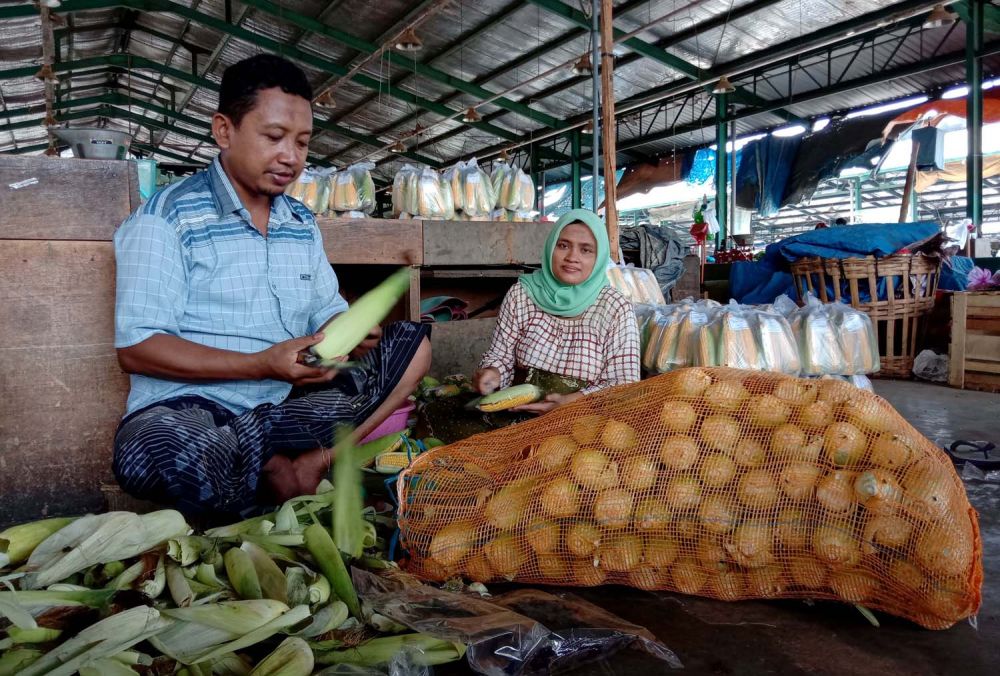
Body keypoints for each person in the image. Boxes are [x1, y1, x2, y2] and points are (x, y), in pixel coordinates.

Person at [112, 54, 430, 518]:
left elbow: (325, 308)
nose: (291, 157)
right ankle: (266, 464)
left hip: (286, 407)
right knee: (164, 448)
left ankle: (308, 464)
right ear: (224, 130)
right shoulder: (166, 219)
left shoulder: (300, 222)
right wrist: (261, 364)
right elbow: (138, 348)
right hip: (197, 410)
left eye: (302, 142)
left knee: (412, 348)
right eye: (274, 137)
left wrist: (347, 329)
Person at [473, 209, 641, 413]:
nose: (572, 257)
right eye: (563, 246)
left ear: (599, 258)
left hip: (583, 420)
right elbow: (501, 355)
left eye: (586, 250)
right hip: (518, 413)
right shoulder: (522, 294)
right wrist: (493, 373)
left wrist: (574, 402)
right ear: (550, 247)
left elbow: (624, 382)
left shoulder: (615, 308)